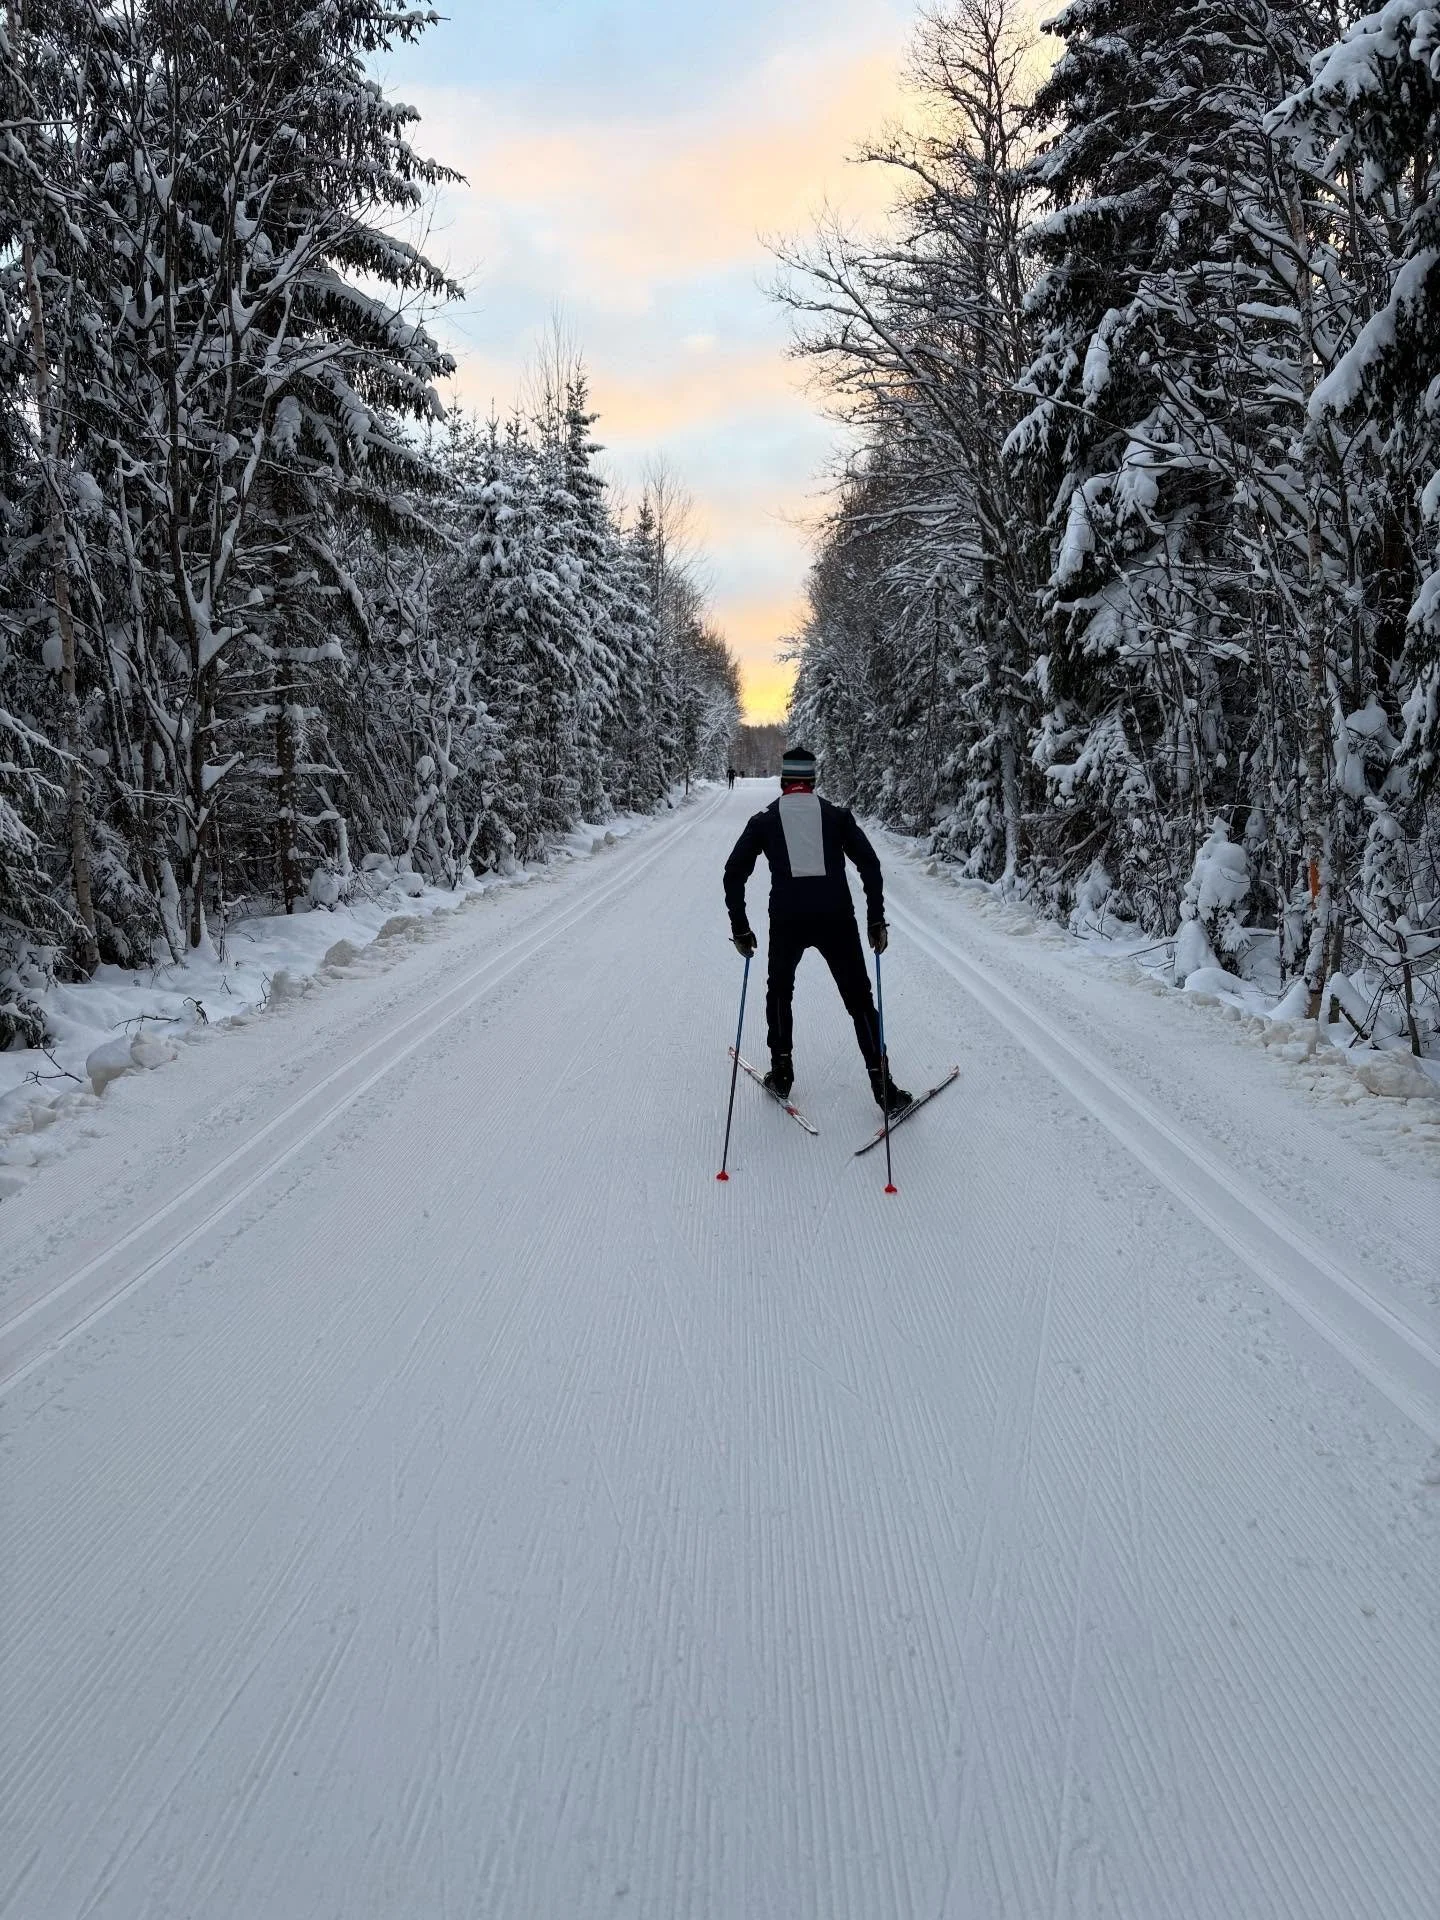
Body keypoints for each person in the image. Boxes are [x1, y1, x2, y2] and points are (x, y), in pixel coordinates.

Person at [723, 743, 911, 1112]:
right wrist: (875, 918)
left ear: (783, 781)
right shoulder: (836, 816)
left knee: (779, 992)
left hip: (787, 919)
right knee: (859, 1001)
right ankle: (882, 1085)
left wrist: (741, 928)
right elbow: (870, 865)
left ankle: (781, 1073)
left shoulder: (765, 819)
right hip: (836, 918)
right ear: (812, 780)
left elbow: (733, 874)